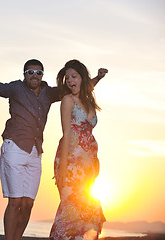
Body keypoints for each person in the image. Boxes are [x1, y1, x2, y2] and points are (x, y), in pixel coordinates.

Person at [0, 59, 107, 240]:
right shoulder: (16, 88)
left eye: (39, 72)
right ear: (24, 74)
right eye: (30, 72)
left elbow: (79, 87)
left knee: (28, 204)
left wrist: (98, 78)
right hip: (14, 146)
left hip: (35, 151)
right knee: (15, 202)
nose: (34, 75)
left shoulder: (48, 92)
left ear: (42, 75)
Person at [49, 60, 107, 240]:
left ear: (82, 78)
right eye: (67, 78)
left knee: (88, 210)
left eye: (74, 76)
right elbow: (66, 134)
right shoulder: (68, 100)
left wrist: (99, 77)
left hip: (88, 166)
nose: (70, 81)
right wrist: (64, 167)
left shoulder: (87, 99)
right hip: (70, 162)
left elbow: (87, 86)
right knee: (71, 210)